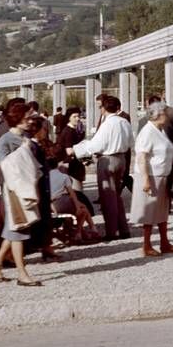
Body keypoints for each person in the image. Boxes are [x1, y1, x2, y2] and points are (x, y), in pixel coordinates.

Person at [0, 100, 43, 285]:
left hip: (26, 188)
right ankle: (22, 273)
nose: (30, 120)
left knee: (13, 229)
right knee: (19, 230)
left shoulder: (25, 136)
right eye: (27, 117)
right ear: (18, 119)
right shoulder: (5, 140)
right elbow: (7, 167)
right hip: (14, 191)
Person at [68, 94, 133, 241]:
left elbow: (96, 145)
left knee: (107, 197)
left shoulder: (107, 125)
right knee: (116, 195)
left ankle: (111, 231)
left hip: (108, 159)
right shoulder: (124, 122)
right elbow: (130, 141)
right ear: (118, 107)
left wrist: (76, 150)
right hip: (121, 158)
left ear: (103, 109)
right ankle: (123, 229)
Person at [129, 101, 173, 257]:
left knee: (162, 212)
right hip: (151, 176)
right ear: (158, 114)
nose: (168, 115)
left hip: (162, 176)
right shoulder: (147, 132)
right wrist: (145, 180)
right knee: (149, 212)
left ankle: (164, 242)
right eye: (165, 112)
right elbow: (141, 157)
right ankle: (146, 245)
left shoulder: (160, 130)